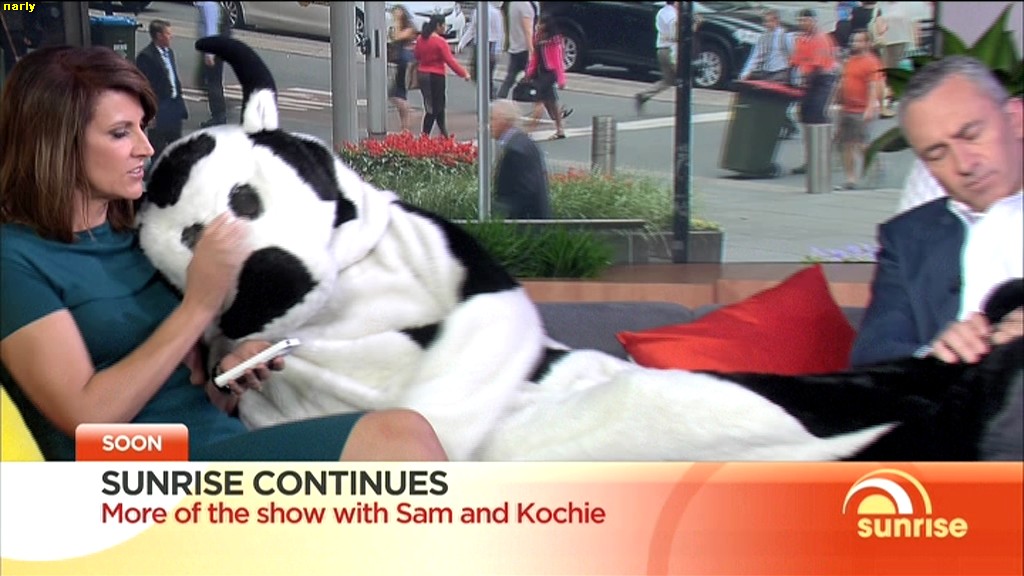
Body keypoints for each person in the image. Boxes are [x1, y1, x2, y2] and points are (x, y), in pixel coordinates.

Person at [0, 45, 448, 462]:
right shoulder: (13, 260)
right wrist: (199, 305)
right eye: (121, 133)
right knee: (397, 440)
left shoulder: (144, 230)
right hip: (130, 474)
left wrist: (228, 379)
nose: (145, 148)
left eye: (142, 128)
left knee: (410, 431)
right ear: (57, 143)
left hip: (207, 442)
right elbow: (86, 417)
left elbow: (182, 391)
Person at [850, 55, 1023, 368]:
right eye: (937, 154)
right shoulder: (908, 238)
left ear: (1015, 119)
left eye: (971, 135)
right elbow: (872, 355)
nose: (964, 164)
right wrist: (934, 356)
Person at [737, 8, 797, 138]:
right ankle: (787, 125)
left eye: (769, 21)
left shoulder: (785, 37)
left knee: (775, 102)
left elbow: (793, 56)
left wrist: (795, 75)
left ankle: (782, 126)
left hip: (781, 72)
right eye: (765, 21)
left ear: (776, 21)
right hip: (767, 73)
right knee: (769, 102)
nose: (766, 24)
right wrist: (746, 73)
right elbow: (756, 56)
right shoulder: (763, 37)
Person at [835, 29, 882, 190]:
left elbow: (873, 86)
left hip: (862, 110)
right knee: (846, 144)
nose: (855, 44)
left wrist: (870, 107)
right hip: (847, 108)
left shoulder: (871, 62)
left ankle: (874, 169)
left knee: (862, 145)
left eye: (859, 41)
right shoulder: (850, 61)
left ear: (867, 43)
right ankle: (850, 179)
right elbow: (843, 81)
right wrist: (838, 100)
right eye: (854, 41)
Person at [135, 20, 188, 162]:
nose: (171, 37)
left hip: (174, 107)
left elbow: (173, 77)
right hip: (160, 108)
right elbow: (145, 87)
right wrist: (150, 112)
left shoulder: (169, 53)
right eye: (168, 33)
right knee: (158, 149)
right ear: (159, 36)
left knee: (177, 148)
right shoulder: (146, 57)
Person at [490, 99, 552, 219]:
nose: (490, 125)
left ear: (504, 120)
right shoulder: (522, 141)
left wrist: (498, 209)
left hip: (526, 223)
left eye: (492, 119)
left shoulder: (516, 150)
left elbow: (526, 190)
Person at [413, 14, 471, 137]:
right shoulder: (440, 42)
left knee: (436, 105)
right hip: (436, 76)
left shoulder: (421, 39)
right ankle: (425, 135)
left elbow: (417, 55)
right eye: (443, 25)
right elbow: (450, 61)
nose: (445, 27)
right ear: (438, 26)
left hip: (422, 74)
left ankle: (443, 134)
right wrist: (463, 73)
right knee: (434, 108)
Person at [870, 1, 918, 117]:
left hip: (900, 40)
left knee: (891, 68)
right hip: (884, 42)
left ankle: (889, 97)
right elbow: (876, 21)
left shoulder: (905, 5)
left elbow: (913, 23)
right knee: (886, 70)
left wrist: (915, 41)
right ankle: (888, 97)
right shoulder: (881, 5)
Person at [524, 15, 567, 140]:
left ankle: (529, 130)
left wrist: (561, 79)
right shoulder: (538, 37)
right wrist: (529, 72)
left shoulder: (554, 41)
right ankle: (560, 129)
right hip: (540, 72)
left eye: (541, 24)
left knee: (539, 102)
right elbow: (535, 57)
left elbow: (558, 61)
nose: (538, 26)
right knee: (551, 102)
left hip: (550, 73)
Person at [634, 0, 677, 112]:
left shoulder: (662, 12)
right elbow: (675, 35)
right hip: (671, 51)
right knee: (684, 79)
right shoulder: (672, 15)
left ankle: (643, 95)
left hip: (662, 49)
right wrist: (694, 26)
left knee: (668, 80)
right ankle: (683, 109)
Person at [457, 1, 504, 100]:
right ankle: (489, 92)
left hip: (490, 43)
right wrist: (462, 43)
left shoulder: (494, 13)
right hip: (478, 44)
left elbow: (499, 33)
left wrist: (497, 50)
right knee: (476, 72)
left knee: (487, 73)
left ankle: (489, 96)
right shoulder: (477, 12)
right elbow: (472, 29)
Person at [194, 1, 230, 127]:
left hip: (213, 49)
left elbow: (211, 28)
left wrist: (209, 54)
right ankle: (219, 111)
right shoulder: (210, 4)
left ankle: (219, 115)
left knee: (213, 82)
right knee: (208, 80)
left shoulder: (209, 5)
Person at [496, 1, 537, 100]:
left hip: (515, 46)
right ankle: (541, 100)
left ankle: (500, 98)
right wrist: (532, 51)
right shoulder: (525, 6)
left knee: (510, 77)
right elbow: (528, 30)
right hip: (524, 47)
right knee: (539, 76)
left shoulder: (513, 4)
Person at [387, 4, 418, 132]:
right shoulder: (396, 27)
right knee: (396, 95)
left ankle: (407, 123)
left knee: (399, 95)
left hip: (406, 64)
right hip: (400, 64)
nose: (394, 16)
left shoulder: (409, 28)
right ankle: (405, 125)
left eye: (396, 14)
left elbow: (397, 36)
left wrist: (397, 23)